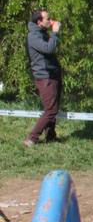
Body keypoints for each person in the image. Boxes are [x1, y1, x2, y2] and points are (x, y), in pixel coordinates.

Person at [24, 9, 62, 147]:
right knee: (51, 110)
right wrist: (55, 32)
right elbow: (49, 49)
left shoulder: (42, 33)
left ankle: (51, 137)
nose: (50, 20)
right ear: (39, 22)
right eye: (47, 19)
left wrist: (54, 35)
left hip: (53, 75)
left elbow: (53, 46)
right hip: (45, 77)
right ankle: (32, 138)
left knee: (54, 108)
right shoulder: (33, 36)